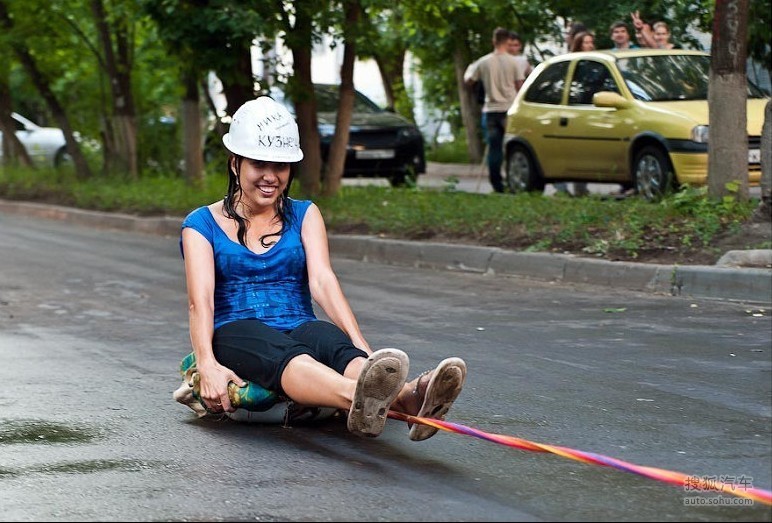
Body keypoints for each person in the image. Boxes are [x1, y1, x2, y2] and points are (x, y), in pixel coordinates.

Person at [174, 96, 467, 440]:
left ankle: (406, 396)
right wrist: (207, 363)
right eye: (259, 164)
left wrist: (366, 351)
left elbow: (323, 282)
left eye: (281, 167)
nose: (271, 177)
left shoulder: (304, 213)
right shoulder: (201, 224)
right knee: (286, 352)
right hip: (236, 332)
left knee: (331, 342)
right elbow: (201, 302)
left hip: (298, 323)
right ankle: (355, 398)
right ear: (236, 163)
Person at [464, 27, 526, 193]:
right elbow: (520, 85)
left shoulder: (483, 62)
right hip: (509, 109)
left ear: (493, 41)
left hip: (491, 110)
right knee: (513, 146)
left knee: (494, 148)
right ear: (507, 42)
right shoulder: (514, 62)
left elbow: (469, 80)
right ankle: (514, 180)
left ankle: (497, 183)